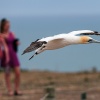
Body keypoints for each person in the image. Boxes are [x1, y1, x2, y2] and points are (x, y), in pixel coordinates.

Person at [0, 18, 21, 96]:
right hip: (6, 56)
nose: (8, 26)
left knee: (18, 72)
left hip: (13, 54)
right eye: (6, 25)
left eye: (9, 25)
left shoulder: (12, 33)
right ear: (3, 26)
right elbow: (3, 46)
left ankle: (17, 89)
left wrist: (17, 43)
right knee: (7, 74)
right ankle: (9, 90)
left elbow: (14, 42)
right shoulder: (1, 35)